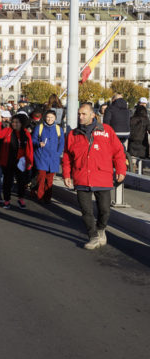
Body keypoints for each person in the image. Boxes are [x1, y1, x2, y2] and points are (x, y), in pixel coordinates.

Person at [62, 104, 127, 250]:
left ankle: (101, 229)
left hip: (102, 176)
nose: (80, 117)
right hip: (81, 177)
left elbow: (118, 152)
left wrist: (121, 169)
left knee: (105, 210)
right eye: (79, 114)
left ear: (93, 115)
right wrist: (66, 174)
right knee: (86, 211)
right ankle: (92, 236)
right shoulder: (73, 134)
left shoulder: (106, 130)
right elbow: (67, 156)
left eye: (84, 114)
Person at [0, 114, 34, 209]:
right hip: (9, 160)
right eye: (13, 122)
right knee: (7, 181)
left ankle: (21, 199)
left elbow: (30, 148)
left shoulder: (26, 133)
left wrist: (30, 161)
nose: (14, 124)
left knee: (22, 182)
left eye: (17, 122)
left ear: (22, 123)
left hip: (21, 161)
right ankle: (7, 200)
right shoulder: (8, 131)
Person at [31, 110, 65, 204]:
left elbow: (61, 143)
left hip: (53, 158)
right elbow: (33, 140)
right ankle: (40, 196)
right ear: (45, 117)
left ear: (55, 118)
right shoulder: (39, 127)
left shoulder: (59, 129)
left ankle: (48, 197)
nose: (49, 119)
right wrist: (38, 143)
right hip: (41, 156)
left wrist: (57, 154)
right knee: (41, 178)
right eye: (48, 117)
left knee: (49, 180)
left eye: (52, 117)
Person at [127, 104, 150, 172]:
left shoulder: (131, 119)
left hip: (132, 142)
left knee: (132, 160)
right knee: (141, 161)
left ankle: (132, 170)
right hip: (142, 143)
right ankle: (140, 171)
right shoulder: (146, 120)